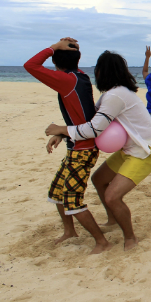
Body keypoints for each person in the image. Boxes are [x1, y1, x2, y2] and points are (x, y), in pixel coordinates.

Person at [45, 50, 151, 251]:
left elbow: (94, 129)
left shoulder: (117, 95)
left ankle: (131, 238)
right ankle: (113, 220)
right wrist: (62, 135)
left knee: (112, 196)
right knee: (99, 180)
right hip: (130, 149)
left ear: (102, 72)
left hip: (145, 151)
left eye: (96, 70)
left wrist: (62, 129)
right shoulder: (113, 94)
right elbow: (92, 119)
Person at [25, 38, 112, 254]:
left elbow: (30, 65)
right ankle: (70, 231)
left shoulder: (67, 80)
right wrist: (63, 135)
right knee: (56, 192)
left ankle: (101, 241)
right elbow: (81, 112)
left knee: (73, 201)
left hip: (83, 150)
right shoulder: (79, 76)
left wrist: (54, 47)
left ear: (56, 62)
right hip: (78, 144)